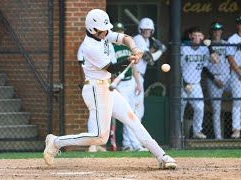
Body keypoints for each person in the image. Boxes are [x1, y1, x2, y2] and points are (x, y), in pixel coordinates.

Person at [43, 9, 177, 169]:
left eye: (106, 29)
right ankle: (56, 142)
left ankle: (162, 156)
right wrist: (129, 59)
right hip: (95, 90)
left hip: (107, 87)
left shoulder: (102, 33)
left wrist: (134, 48)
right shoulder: (90, 46)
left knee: (133, 120)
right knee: (100, 138)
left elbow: (125, 38)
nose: (106, 32)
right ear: (92, 29)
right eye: (102, 30)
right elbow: (112, 68)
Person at [111, 22, 145, 151]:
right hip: (120, 84)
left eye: (121, 31)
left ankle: (128, 144)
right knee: (128, 114)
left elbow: (134, 66)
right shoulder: (111, 48)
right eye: (117, 31)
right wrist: (115, 85)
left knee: (132, 114)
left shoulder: (128, 47)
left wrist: (138, 83)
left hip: (131, 82)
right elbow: (112, 70)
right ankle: (133, 144)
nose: (120, 33)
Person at [181, 26, 219, 139]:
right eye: (195, 35)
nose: (197, 38)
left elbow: (216, 61)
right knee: (179, 110)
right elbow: (177, 68)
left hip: (196, 84)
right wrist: (184, 83)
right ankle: (179, 133)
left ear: (202, 37)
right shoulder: (183, 49)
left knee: (199, 107)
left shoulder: (204, 49)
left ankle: (197, 131)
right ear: (190, 36)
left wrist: (210, 47)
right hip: (182, 84)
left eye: (199, 36)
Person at [133, 17, 166, 122]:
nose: (147, 32)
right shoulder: (138, 39)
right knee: (137, 108)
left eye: (149, 30)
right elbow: (148, 59)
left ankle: (133, 137)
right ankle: (132, 138)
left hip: (138, 76)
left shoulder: (145, 41)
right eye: (144, 29)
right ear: (140, 30)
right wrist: (160, 51)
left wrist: (154, 48)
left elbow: (147, 55)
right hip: (134, 77)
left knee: (138, 108)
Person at [77, 42, 108, 152]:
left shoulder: (106, 44)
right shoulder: (87, 45)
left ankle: (97, 144)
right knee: (94, 113)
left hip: (104, 84)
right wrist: (83, 81)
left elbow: (111, 65)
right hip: (92, 83)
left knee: (100, 114)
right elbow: (81, 63)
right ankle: (92, 144)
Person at [206, 22, 231, 139]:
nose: (216, 32)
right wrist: (214, 79)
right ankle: (218, 137)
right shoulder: (207, 45)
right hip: (214, 78)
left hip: (228, 77)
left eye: (219, 30)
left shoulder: (227, 44)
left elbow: (232, 59)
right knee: (216, 109)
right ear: (211, 32)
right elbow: (204, 67)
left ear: (221, 31)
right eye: (214, 30)